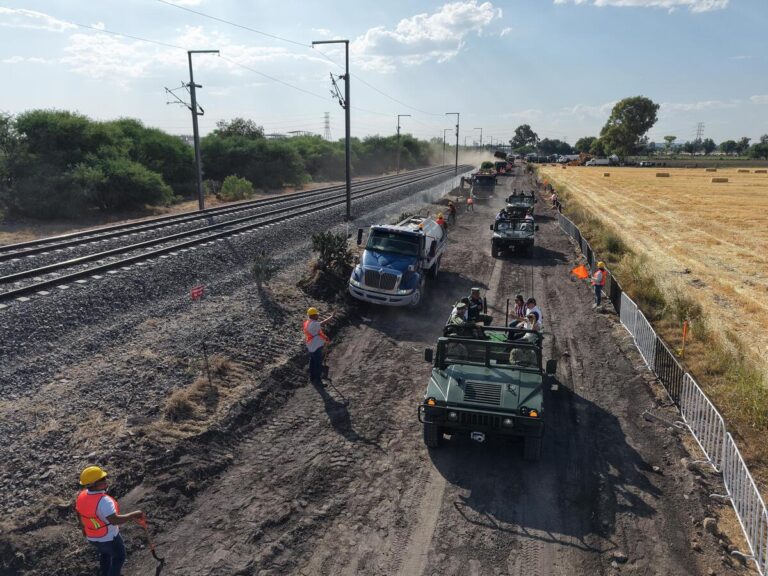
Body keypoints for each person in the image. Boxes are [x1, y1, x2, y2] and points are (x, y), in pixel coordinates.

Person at [75, 466, 145, 576]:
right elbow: (114, 520)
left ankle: (105, 573)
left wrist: (83, 528)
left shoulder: (82, 495)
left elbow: (78, 512)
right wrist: (133, 515)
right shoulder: (104, 501)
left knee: (105, 554)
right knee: (119, 557)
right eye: (102, 479)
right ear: (94, 484)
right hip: (108, 537)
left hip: (91, 536)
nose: (106, 481)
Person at [303, 307, 333, 385]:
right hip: (315, 346)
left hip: (310, 345)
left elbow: (318, 332)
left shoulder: (307, 322)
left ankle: (312, 378)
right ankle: (318, 381)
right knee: (318, 364)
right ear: (313, 315)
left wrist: (325, 338)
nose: (318, 316)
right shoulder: (315, 323)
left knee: (312, 362)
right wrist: (331, 317)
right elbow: (322, 323)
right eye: (317, 315)